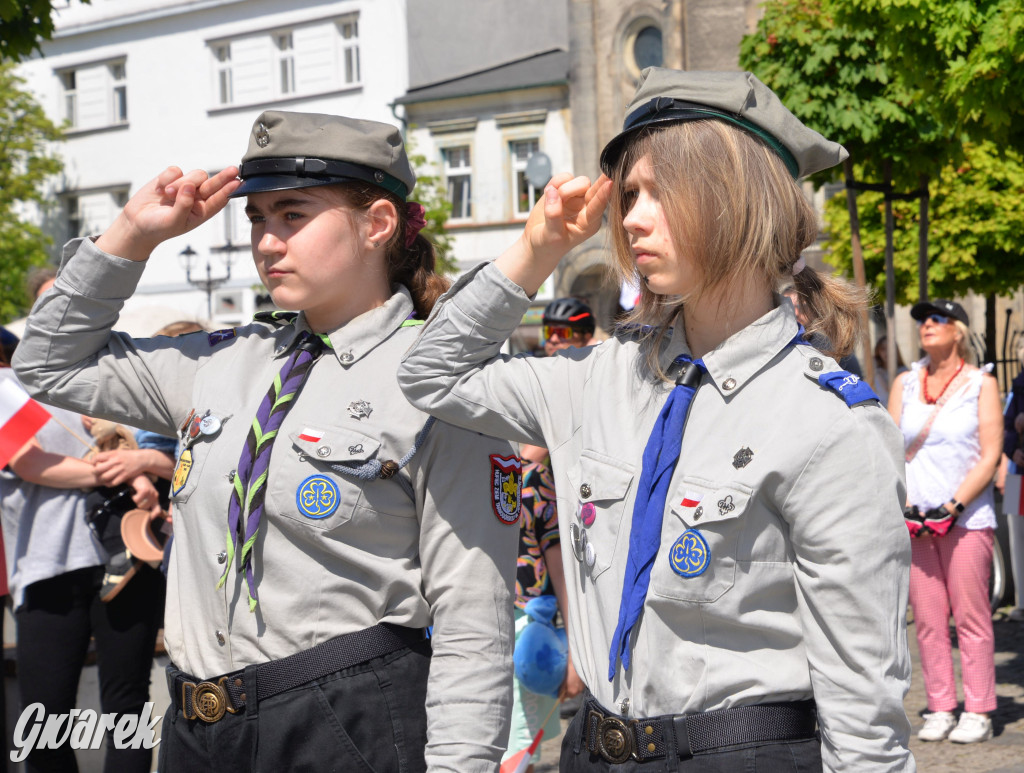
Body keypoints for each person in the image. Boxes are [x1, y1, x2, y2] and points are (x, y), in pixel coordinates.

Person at [400, 69, 914, 771]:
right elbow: (430, 373)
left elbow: (866, 718)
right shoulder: (599, 379)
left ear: (738, 198)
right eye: (630, 194)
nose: (633, 217)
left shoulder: (828, 423)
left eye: (660, 191)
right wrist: (537, 249)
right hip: (594, 747)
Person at [13, 110, 519, 772]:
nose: (267, 242)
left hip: (345, 723)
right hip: (198, 724)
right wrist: (131, 235)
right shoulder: (219, 361)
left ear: (377, 224)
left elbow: (472, 619)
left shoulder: (441, 380)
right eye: (256, 218)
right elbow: (48, 362)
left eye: (293, 215)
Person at [1, 345, 163, 773]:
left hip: (125, 557)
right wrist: (125, 471)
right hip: (51, 565)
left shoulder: (103, 379)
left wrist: (140, 462)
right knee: (44, 719)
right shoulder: (8, 388)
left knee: (125, 707)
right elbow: (32, 464)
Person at [889, 298, 1001, 744]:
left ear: (958, 332)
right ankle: (940, 705)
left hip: (966, 519)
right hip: (915, 520)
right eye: (923, 321)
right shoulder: (905, 383)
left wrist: (953, 507)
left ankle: (978, 707)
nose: (928, 326)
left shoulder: (980, 383)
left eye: (938, 320)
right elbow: (890, 446)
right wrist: (906, 503)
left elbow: (990, 453)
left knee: (971, 617)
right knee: (930, 619)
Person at [505, 444, 584, 772]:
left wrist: (577, 655)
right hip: (481, 625)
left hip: (527, 634)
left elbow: (561, 566)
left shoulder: (534, 477)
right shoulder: (485, 466)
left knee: (514, 759)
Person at [1002, 339, 1024, 622]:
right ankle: (1021, 600)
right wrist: (1012, 448)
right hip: (1014, 473)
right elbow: (1004, 428)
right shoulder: (1016, 386)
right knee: (1016, 537)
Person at [872, 335, 907, 409]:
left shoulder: (904, 372)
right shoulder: (876, 372)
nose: (886, 352)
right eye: (883, 349)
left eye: (889, 348)